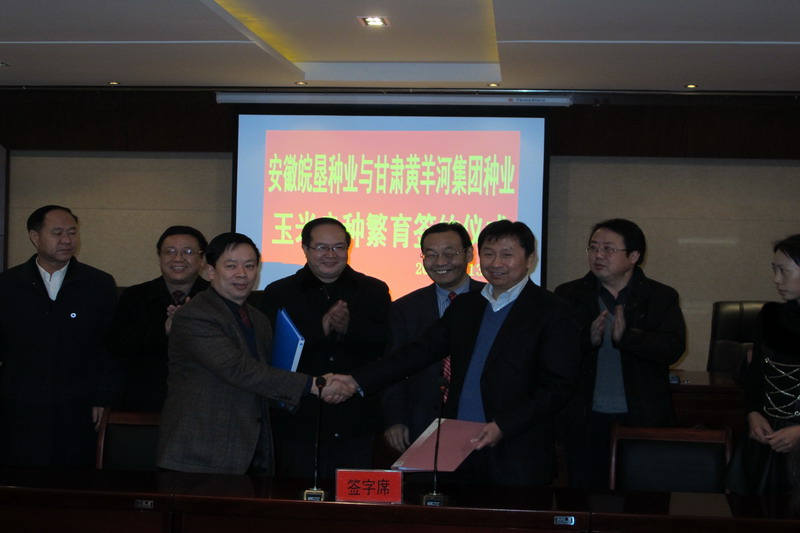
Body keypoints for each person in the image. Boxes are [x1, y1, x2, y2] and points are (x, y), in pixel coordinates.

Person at [331, 220, 581, 487]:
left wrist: (504, 425)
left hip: (516, 450)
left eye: (507, 254)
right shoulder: (466, 306)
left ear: (530, 259)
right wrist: (356, 381)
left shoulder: (553, 311)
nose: (496, 263)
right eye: (489, 254)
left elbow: (557, 386)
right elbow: (416, 353)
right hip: (457, 447)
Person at [156, 232, 345, 475]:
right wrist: (314, 385)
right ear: (211, 271)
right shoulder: (194, 315)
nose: (242, 274)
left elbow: (269, 371)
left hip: (249, 450)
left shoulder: (258, 318)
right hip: (199, 451)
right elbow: (238, 369)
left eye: (249, 266)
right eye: (231, 266)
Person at [554, 218, 686, 489]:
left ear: (633, 256)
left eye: (608, 249)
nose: (598, 255)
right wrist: (586, 339)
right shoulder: (568, 294)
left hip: (642, 417)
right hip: (584, 418)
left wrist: (628, 338)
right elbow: (553, 351)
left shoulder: (661, 296)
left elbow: (673, 348)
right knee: (584, 497)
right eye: (593, 247)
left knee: (642, 498)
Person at [259, 217, 391, 479]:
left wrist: (348, 328)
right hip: (299, 419)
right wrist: (319, 329)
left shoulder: (374, 290)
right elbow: (271, 353)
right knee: (295, 496)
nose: (330, 254)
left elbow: (387, 347)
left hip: (357, 418)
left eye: (338, 247)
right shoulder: (278, 292)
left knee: (352, 498)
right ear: (305, 249)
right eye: (321, 247)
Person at [0, 205, 119, 467]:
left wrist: (103, 396)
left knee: (74, 477)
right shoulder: (7, 285)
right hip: (20, 405)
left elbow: (109, 346)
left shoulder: (98, 284)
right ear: (35, 236)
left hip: (78, 404)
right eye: (57, 233)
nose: (67, 240)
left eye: (72, 232)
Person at [382, 222, 484, 454]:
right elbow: (393, 366)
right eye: (431, 254)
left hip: (479, 423)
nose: (440, 262)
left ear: (469, 254)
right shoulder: (404, 308)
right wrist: (395, 419)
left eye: (450, 253)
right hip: (421, 423)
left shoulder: (491, 300)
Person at [727, 234, 800, 494]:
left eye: (784, 271)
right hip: (768, 437)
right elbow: (757, 377)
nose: (776, 279)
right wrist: (753, 413)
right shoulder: (771, 317)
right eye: (774, 270)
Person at [109, 225, 209, 412]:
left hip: (203, 404)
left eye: (188, 252)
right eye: (170, 251)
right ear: (159, 257)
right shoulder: (134, 297)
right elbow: (117, 346)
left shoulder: (215, 299)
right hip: (145, 403)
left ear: (202, 259)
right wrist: (163, 331)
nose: (178, 258)